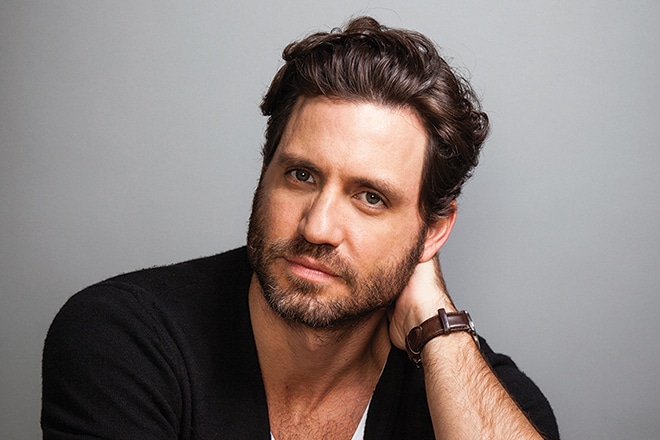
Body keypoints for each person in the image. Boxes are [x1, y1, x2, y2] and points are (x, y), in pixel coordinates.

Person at [42, 16, 559, 439]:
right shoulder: (124, 340)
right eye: (301, 176)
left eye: (370, 197)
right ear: (265, 172)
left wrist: (438, 328)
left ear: (432, 232)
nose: (317, 227)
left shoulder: (480, 397)